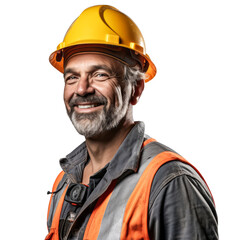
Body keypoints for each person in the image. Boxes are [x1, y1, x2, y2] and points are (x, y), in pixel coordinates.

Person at [45, 5, 218, 240]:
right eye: (72, 77)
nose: (82, 89)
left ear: (135, 89)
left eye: (100, 74)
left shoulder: (169, 182)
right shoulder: (65, 182)